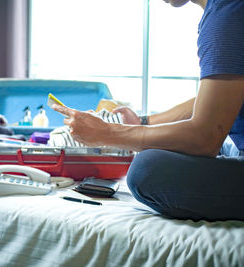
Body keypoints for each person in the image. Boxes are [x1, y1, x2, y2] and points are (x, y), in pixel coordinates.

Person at [52, 0, 244, 221]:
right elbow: (220, 97)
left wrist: (107, 134)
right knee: (166, 144)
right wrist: (144, 123)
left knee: (148, 169)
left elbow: (205, 138)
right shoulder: (226, 10)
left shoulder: (228, 15)